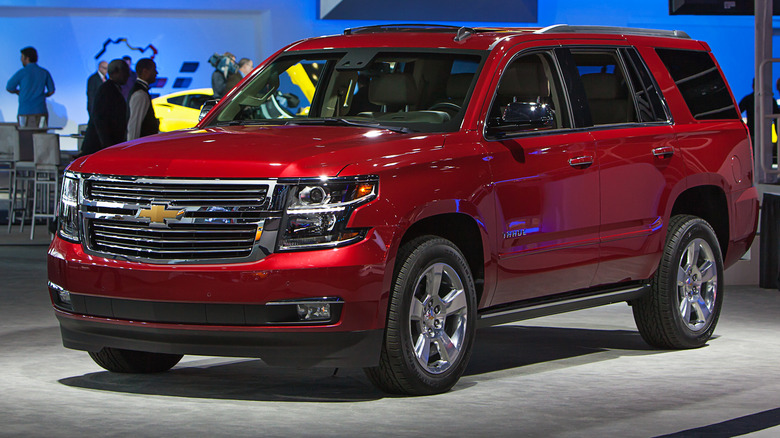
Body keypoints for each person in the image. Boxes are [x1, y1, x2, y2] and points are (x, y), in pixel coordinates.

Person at [80, 59, 130, 156]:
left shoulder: (110, 88)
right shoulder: (107, 90)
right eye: (125, 71)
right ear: (116, 72)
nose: (128, 75)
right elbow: (100, 118)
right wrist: (107, 145)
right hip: (99, 148)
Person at [5, 46, 55, 128]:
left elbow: (9, 87)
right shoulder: (44, 72)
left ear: (26, 58)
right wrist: (42, 95)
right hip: (40, 111)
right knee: (41, 138)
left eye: (22, 57)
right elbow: (51, 91)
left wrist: (19, 92)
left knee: (24, 138)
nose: (21, 59)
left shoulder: (22, 72)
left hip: (24, 112)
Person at [127, 58, 160, 141]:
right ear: (145, 71)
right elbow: (134, 126)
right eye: (154, 70)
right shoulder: (140, 94)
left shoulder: (141, 91)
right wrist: (132, 148)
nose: (156, 73)